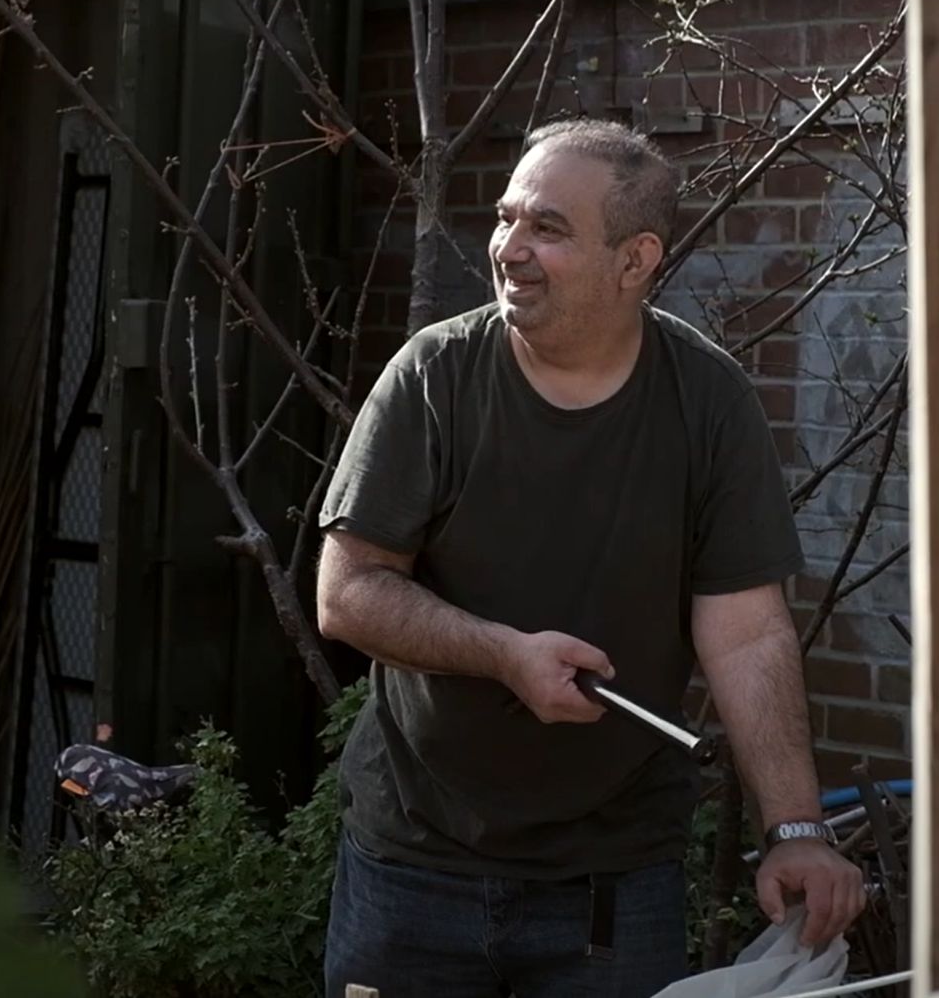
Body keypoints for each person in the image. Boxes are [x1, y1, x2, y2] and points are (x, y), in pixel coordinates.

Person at [316, 118, 867, 997]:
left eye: (548, 228)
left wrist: (795, 827)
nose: (510, 249)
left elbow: (748, 633)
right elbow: (349, 596)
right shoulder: (435, 376)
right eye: (506, 219)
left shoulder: (709, 400)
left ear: (636, 259)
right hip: (413, 865)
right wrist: (504, 654)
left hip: (614, 881)